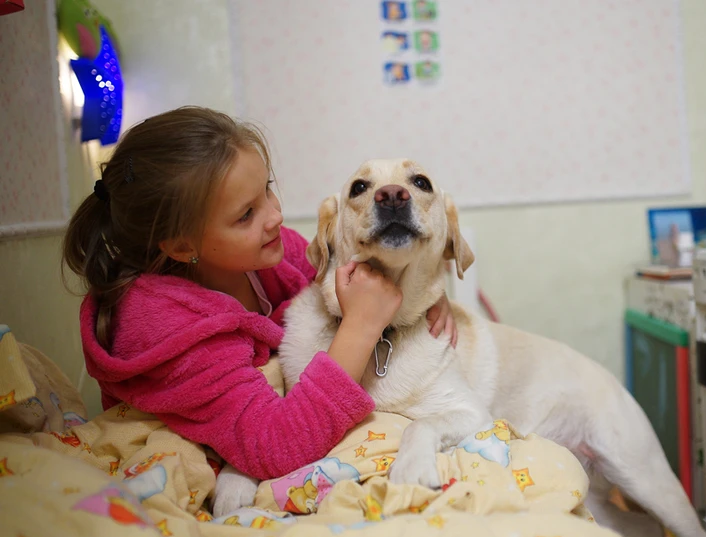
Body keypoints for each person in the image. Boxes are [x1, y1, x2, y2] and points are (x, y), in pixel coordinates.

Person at [62, 106, 457, 480]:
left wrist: (424, 294)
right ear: (183, 248)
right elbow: (275, 447)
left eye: (267, 190)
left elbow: (336, 277)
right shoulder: (161, 326)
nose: (275, 215)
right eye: (246, 214)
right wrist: (362, 326)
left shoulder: (269, 253)